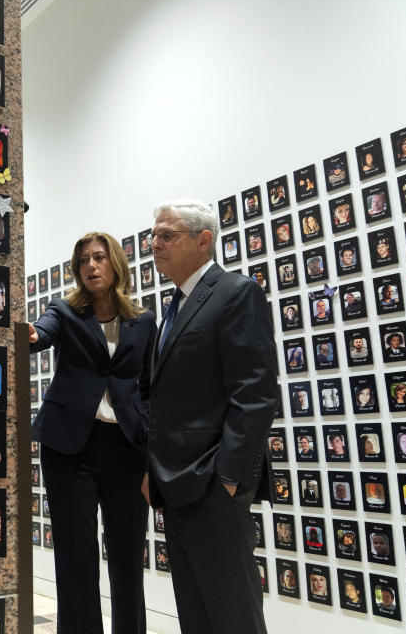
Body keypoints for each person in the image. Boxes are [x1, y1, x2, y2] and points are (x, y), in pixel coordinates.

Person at [147, 200, 276, 634]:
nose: (154, 243)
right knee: (195, 612)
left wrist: (229, 478)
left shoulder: (236, 293)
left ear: (204, 241)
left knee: (232, 610)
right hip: (176, 482)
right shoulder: (175, 304)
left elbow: (254, 393)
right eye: (154, 234)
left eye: (167, 235)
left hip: (213, 482)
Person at [27, 231, 156, 634]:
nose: (91, 266)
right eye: (83, 260)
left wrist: (150, 437)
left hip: (126, 449)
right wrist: (31, 334)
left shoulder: (143, 320)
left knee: (127, 555)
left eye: (99, 257)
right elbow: (41, 332)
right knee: (76, 556)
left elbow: (150, 385)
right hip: (70, 449)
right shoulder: (63, 312)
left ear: (115, 263)